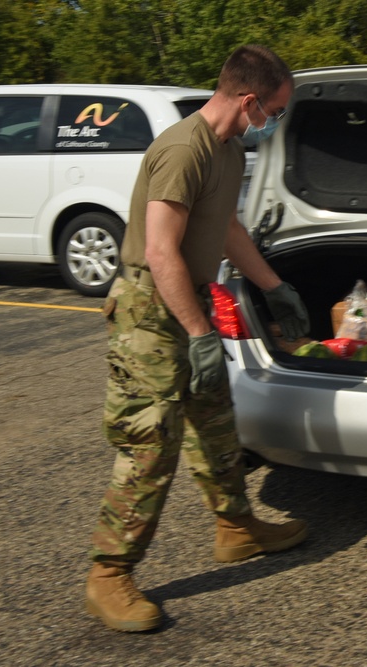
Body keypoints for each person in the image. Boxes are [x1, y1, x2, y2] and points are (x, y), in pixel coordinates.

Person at [85, 44, 311, 633]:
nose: (275, 121)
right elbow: (160, 251)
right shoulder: (183, 149)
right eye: (275, 110)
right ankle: (108, 575)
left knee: (214, 420)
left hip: (186, 304)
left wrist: (273, 286)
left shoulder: (229, 149)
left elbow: (228, 228)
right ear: (249, 99)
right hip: (148, 313)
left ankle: (237, 528)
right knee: (150, 446)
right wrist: (196, 332)